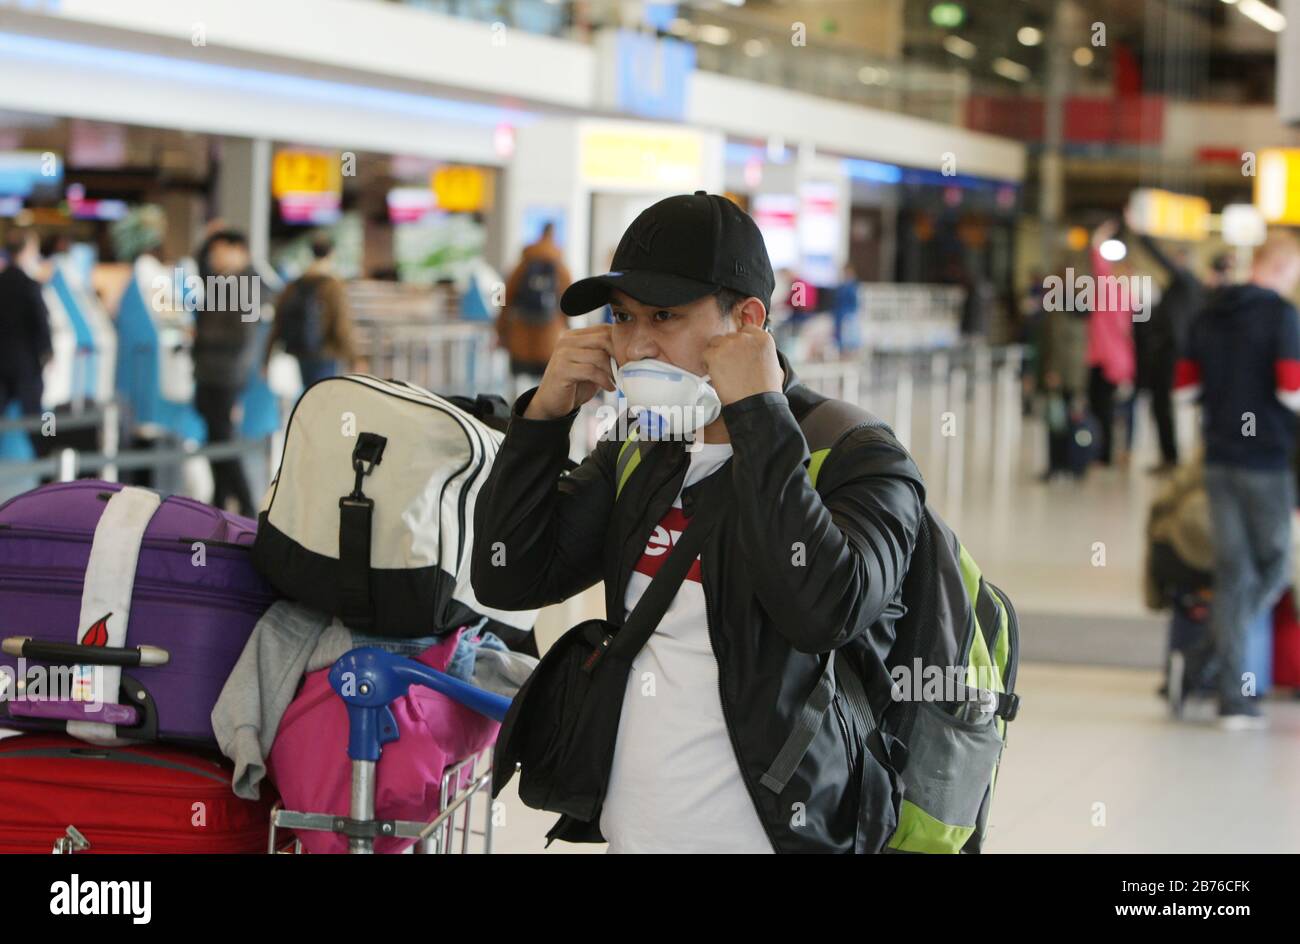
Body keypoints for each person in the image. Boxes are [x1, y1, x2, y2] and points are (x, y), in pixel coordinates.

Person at [471, 191, 926, 852]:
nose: (635, 344)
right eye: (622, 317)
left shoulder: (854, 456)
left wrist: (760, 414)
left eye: (665, 315)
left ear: (747, 322)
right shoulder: (643, 452)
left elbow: (823, 611)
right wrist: (541, 423)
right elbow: (508, 577)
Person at [1174, 231, 1300, 729]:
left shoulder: (1210, 311)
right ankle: (1209, 658)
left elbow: (1185, 390)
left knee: (1234, 575)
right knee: (1275, 567)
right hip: (1266, 462)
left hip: (1218, 459)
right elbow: (1292, 390)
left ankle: (1226, 690)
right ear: (1284, 265)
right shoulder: (1282, 315)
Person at [192, 229, 260, 516]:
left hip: (226, 377)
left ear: (238, 251)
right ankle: (219, 504)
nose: (214, 258)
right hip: (209, 373)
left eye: (219, 251)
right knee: (214, 442)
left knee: (224, 444)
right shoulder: (222, 283)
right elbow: (199, 264)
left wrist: (201, 335)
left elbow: (240, 336)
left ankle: (246, 508)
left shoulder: (248, 284)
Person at [267, 233, 357, 385]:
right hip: (326, 351)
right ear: (332, 253)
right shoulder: (332, 285)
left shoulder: (296, 283)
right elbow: (341, 323)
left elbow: (278, 320)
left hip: (300, 349)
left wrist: (267, 356)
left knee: (308, 391)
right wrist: (353, 357)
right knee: (323, 395)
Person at [498, 221, 571, 392]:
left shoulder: (522, 265)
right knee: (545, 387)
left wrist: (501, 329)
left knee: (517, 388)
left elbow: (504, 298)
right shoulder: (561, 267)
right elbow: (569, 303)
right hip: (549, 338)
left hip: (520, 337)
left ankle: (515, 414)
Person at [1086, 220, 1136, 467]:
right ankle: (1120, 451)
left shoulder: (1110, 290)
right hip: (1120, 362)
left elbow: (1098, 260)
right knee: (1121, 411)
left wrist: (1100, 235)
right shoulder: (1128, 297)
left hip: (1103, 359)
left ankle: (1103, 454)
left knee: (1100, 408)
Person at [0, 228, 53, 451]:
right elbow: (41, 323)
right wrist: (48, 352)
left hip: (1, 363)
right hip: (26, 365)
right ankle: (46, 456)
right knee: (37, 416)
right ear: (27, 250)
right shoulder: (30, 285)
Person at [1037, 268, 1090, 481]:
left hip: (1060, 376)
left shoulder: (1058, 312)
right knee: (1072, 421)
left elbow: (1056, 344)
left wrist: (1052, 372)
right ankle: (1072, 465)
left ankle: (1057, 466)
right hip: (1077, 377)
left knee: (1056, 423)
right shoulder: (1082, 311)